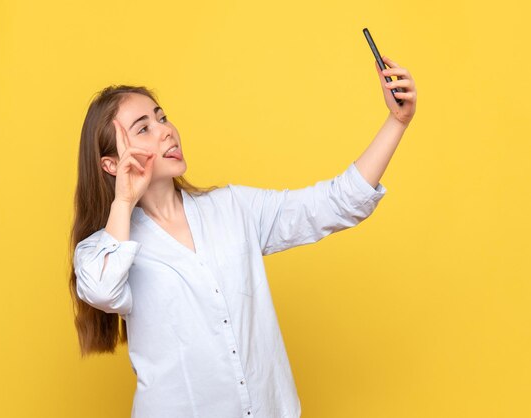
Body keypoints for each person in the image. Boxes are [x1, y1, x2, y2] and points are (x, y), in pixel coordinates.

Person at [68, 56, 417, 418]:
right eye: (143, 129)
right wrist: (124, 200)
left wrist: (397, 121)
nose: (166, 130)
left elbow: (335, 203)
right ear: (111, 164)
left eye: (161, 117)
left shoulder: (233, 208)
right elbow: (102, 290)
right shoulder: (104, 249)